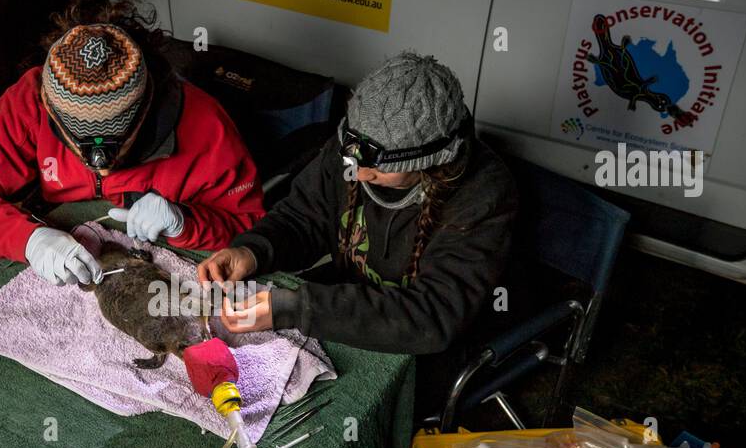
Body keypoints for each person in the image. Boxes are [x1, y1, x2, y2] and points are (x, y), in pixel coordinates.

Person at [198, 52, 517, 403]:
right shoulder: (357, 147)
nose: (359, 173)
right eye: (352, 159)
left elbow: (433, 316)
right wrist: (253, 250)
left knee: (331, 415)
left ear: (430, 161)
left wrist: (295, 307)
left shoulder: (483, 194)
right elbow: (303, 217)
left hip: (426, 345)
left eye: (376, 168)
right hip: (345, 305)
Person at [0, 0, 264, 285]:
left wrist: (185, 221)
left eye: (114, 142)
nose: (99, 163)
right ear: (50, 110)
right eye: (79, 141)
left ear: (147, 110)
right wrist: (27, 239)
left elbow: (254, 231)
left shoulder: (206, 124)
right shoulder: (29, 101)